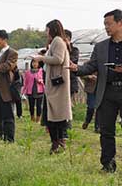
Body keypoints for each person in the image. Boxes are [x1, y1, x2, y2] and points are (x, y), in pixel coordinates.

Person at [68, 9, 122, 173]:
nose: (106, 27)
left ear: (120, 23)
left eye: (109, 23)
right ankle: (108, 165)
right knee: (106, 131)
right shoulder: (101, 47)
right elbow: (91, 66)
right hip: (107, 91)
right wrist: (76, 68)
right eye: (104, 24)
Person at [33, 20, 72, 154]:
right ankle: (57, 143)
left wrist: (41, 58)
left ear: (52, 29)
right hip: (55, 84)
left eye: (47, 29)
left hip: (57, 85)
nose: (46, 32)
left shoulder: (58, 41)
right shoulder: (58, 41)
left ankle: (57, 143)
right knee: (55, 115)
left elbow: (58, 59)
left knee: (55, 115)